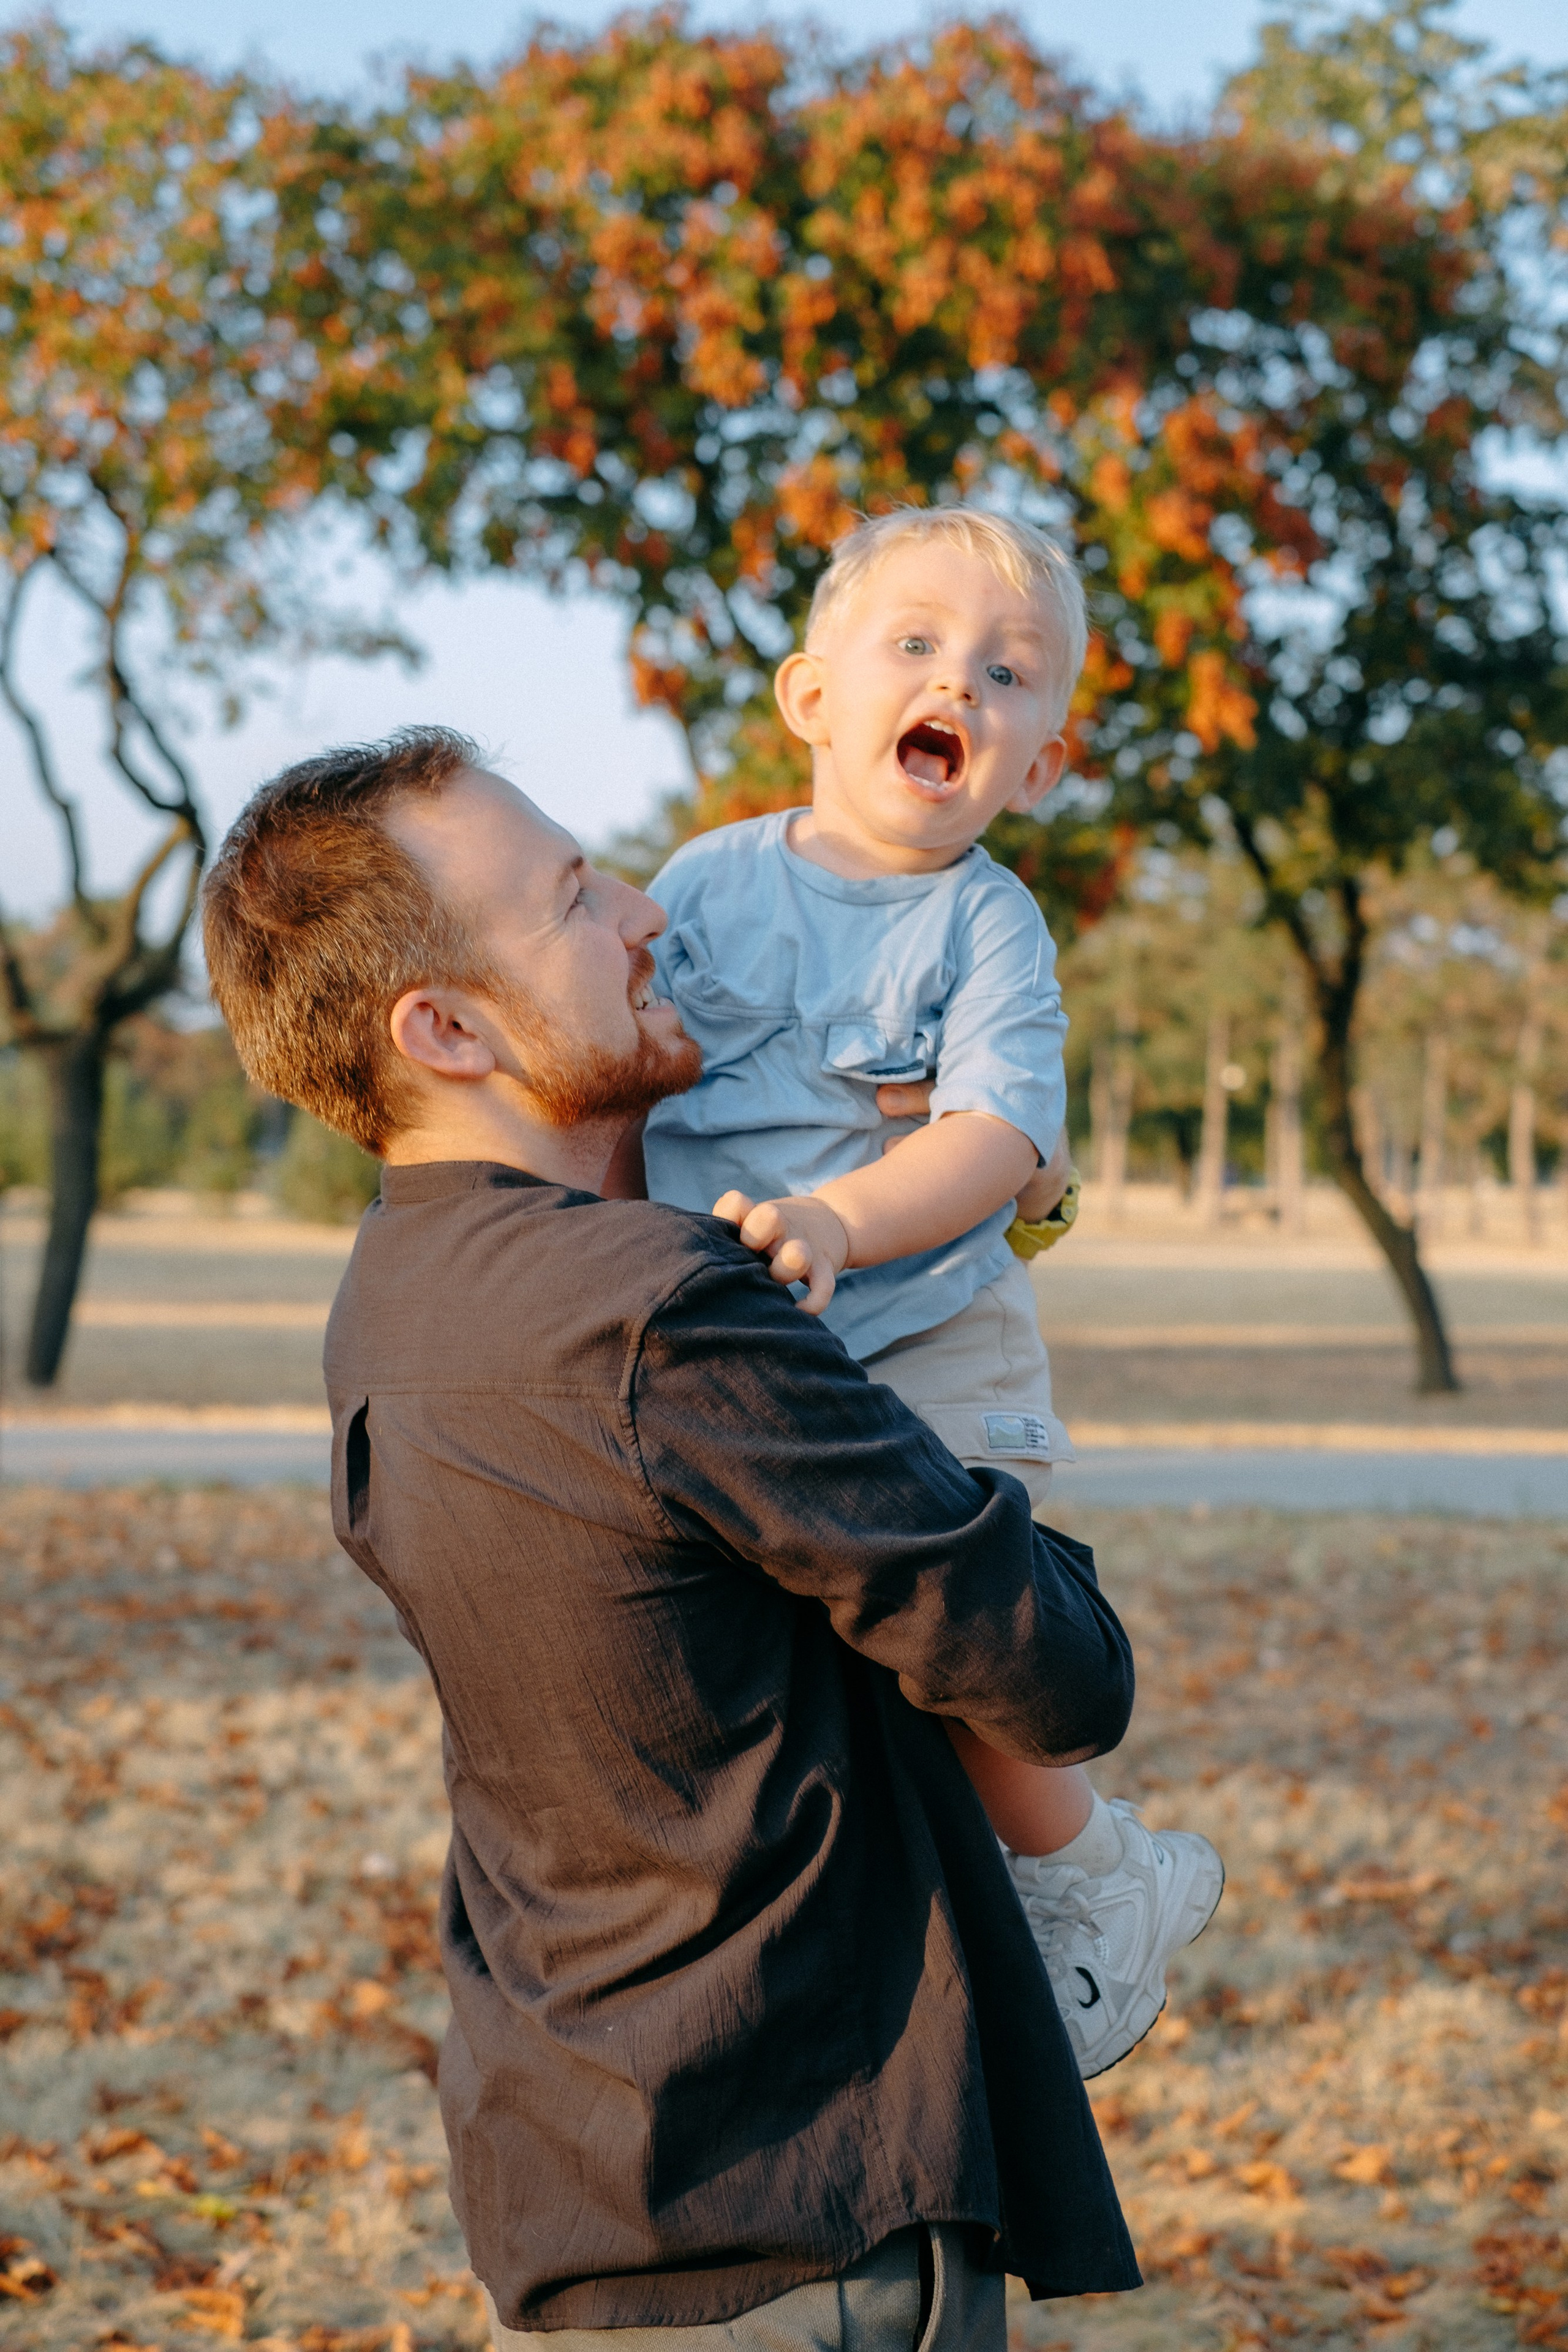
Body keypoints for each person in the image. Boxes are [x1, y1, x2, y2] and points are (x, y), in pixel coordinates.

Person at [202, 727, 1142, 2352]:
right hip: (804, 2212)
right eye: (572, 899)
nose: (648, 910)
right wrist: (960, 1281)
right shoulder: (659, 1319)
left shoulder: (397, 1305)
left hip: (587, 2175)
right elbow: (1058, 1675)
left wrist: (921, 1180)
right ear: (447, 1028)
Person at [638, 508, 1223, 2078]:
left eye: (1006, 671)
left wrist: (839, 1213)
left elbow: (1002, 1140)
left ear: (1033, 766)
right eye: (913, 646)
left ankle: (1100, 1874)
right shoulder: (707, 882)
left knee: (961, 1646)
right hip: (744, 1347)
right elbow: (633, 1072)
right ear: (811, 700)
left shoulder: (984, 919)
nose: (956, 680)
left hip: (935, 1341)